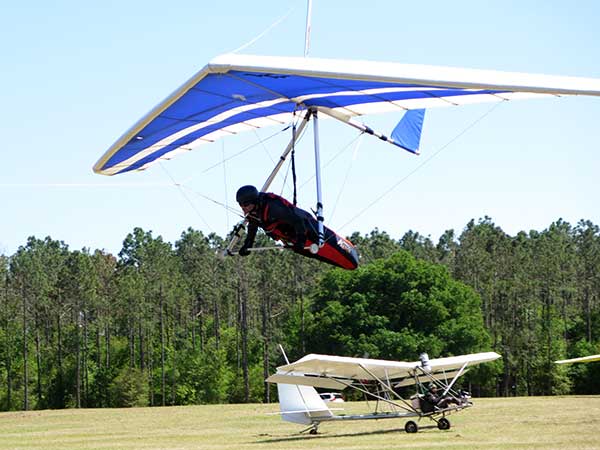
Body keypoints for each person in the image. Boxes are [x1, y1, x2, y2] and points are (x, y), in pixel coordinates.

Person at [235, 185, 317, 256]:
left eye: (246, 204)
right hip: (290, 237)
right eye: (240, 204)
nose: (243, 207)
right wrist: (248, 245)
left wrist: (301, 241)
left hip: (307, 231)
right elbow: (252, 227)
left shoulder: (274, 208)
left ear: (254, 201)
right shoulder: (253, 212)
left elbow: (297, 221)